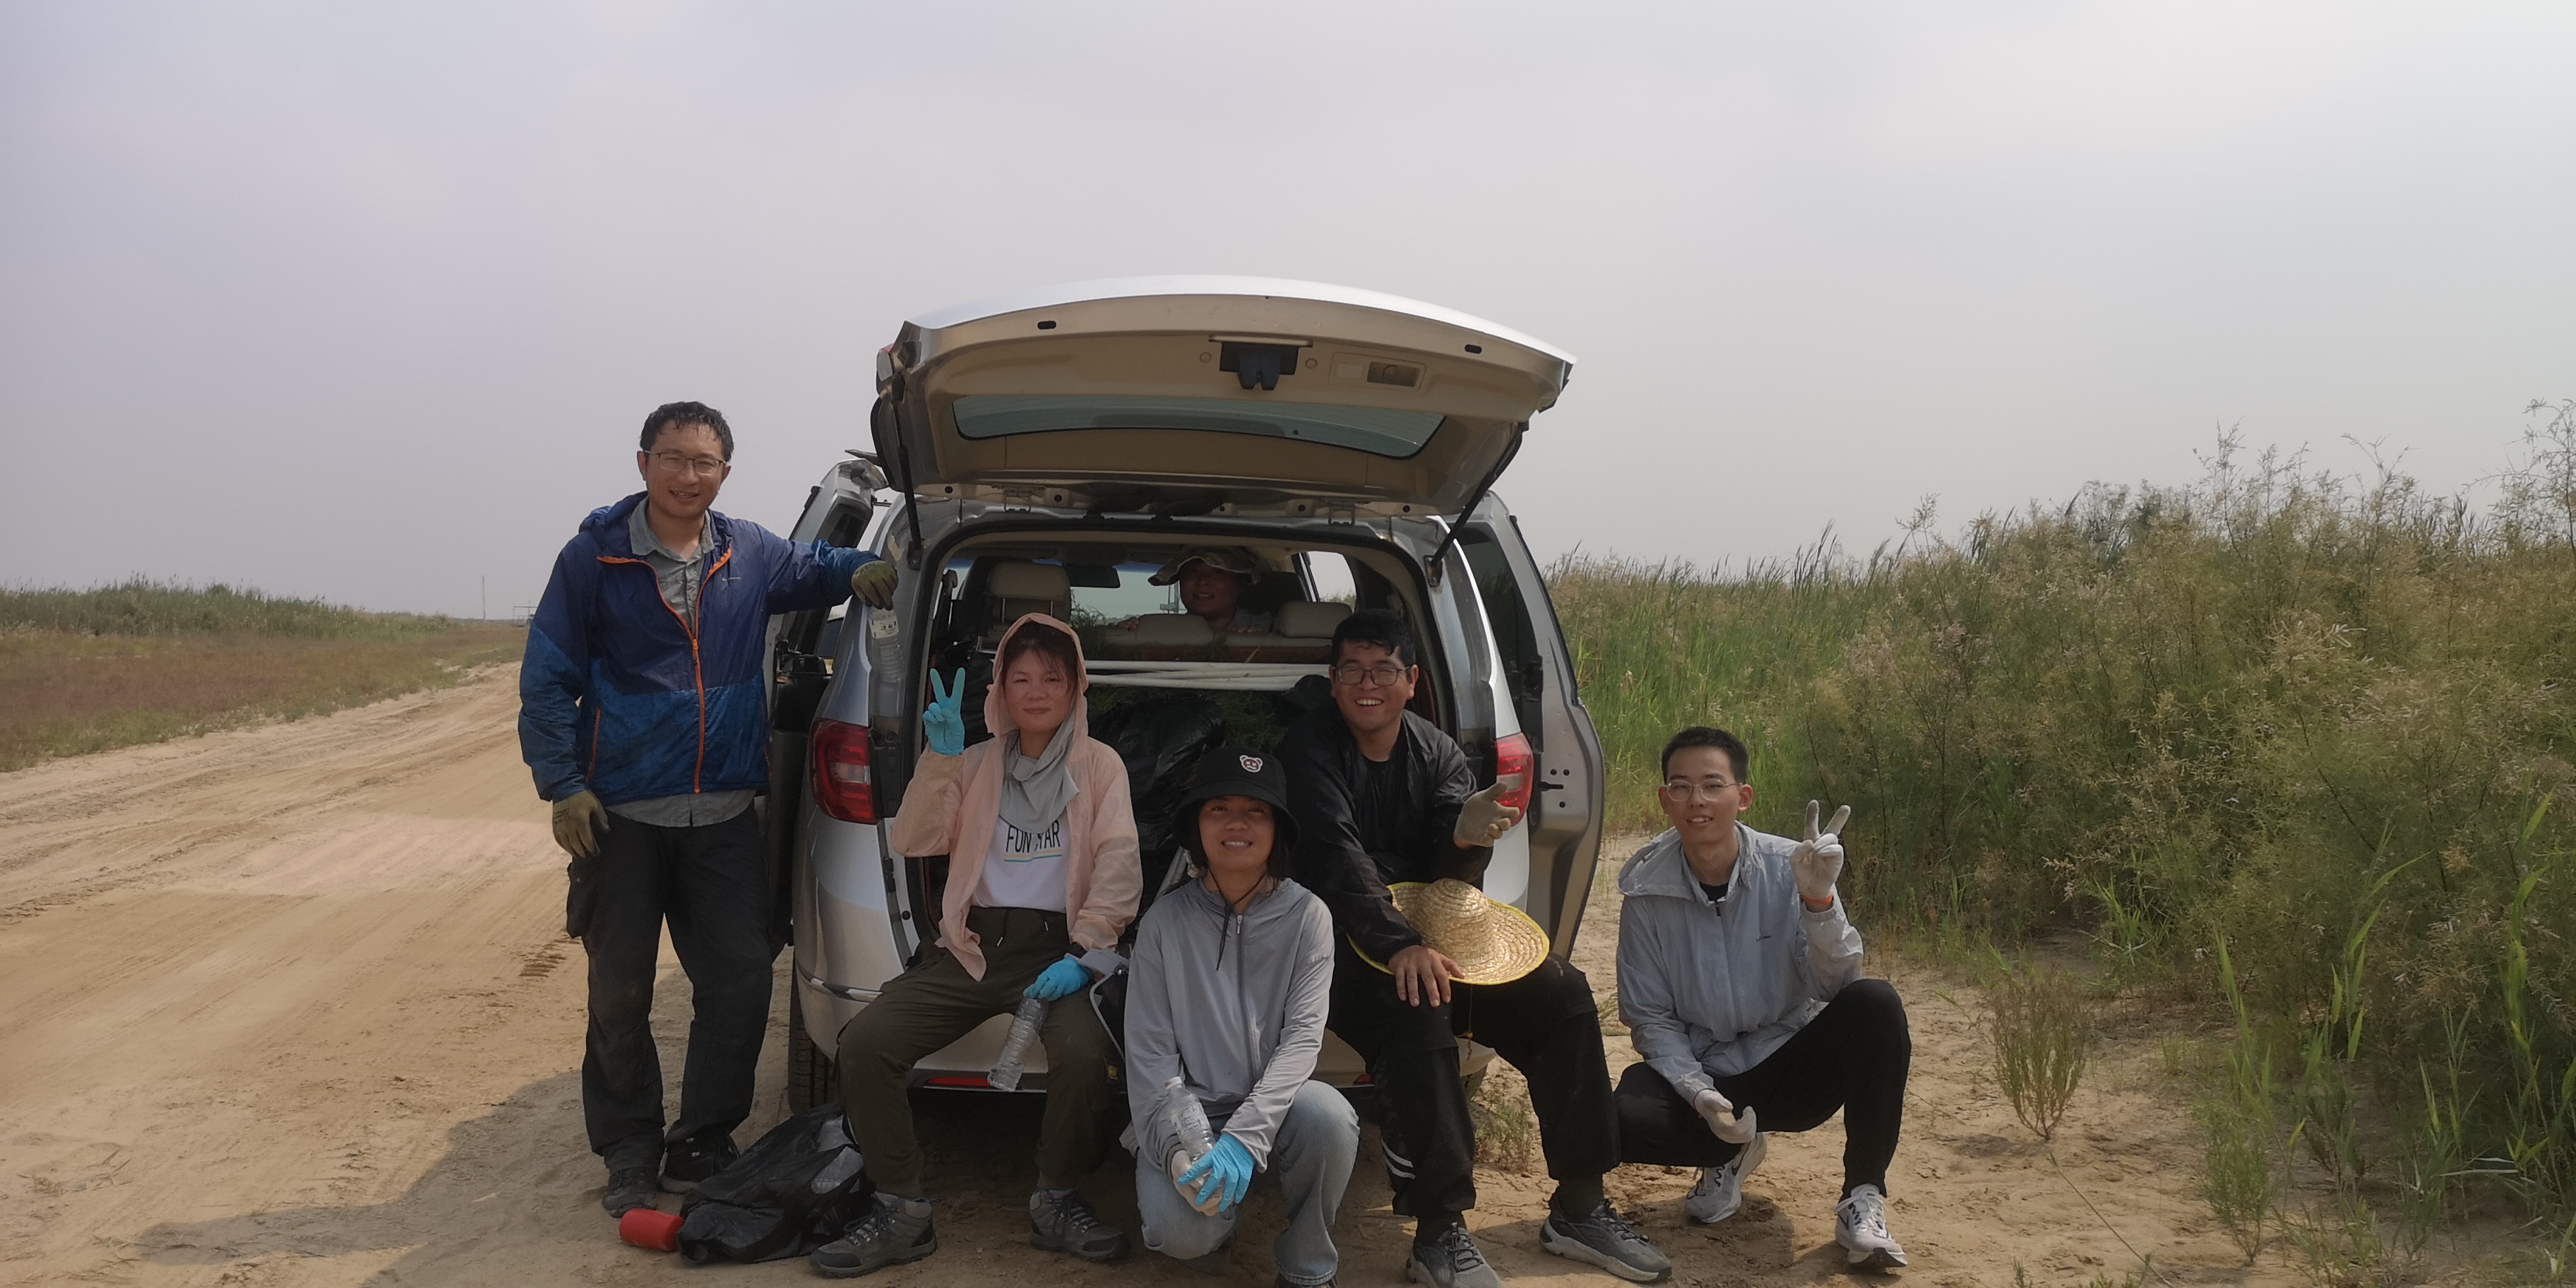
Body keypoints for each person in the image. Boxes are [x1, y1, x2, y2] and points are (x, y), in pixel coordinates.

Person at [520, 400, 898, 1217]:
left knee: (738, 982)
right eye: (673, 458)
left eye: (704, 463)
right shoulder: (594, 559)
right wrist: (562, 784)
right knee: (619, 993)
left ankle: (702, 1137)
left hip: (723, 815)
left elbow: (816, 564)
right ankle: (629, 1149)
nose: (688, 476)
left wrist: (862, 568)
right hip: (619, 816)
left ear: (725, 472)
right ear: (644, 463)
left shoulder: (748, 550)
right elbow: (547, 677)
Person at [1282, 609, 1671, 1287]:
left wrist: (1464, 841)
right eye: (1352, 670)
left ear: (1412, 680)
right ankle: (1439, 1233)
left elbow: (1454, 881)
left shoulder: (1437, 752)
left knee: (1563, 995)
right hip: (1338, 938)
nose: (1367, 684)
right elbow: (1336, 860)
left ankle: (1580, 1205)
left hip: (1431, 934)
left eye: (1383, 670)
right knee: (1419, 1009)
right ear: (1333, 679)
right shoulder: (1308, 750)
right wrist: (1401, 945)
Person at [809, 614, 1142, 1278]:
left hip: (1060, 950)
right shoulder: (978, 761)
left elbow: (1118, 862)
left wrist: (1085, 953)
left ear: (1077, 686)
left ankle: (1057, 1199)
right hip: (975, 946)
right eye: (1021, 679)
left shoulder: (1100, 765)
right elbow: (913, 840)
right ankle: (900, 1208)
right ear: (1000, 690)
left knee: (1084, 1057)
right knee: (865, 1043)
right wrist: (940, 760)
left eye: (1053, 678)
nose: (1037, 692)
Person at [1611, 726, 1912, 1270]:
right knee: (1626, 1118)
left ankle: (1862, 1197)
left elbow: (1837, 984)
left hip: (1788, 1065)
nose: (1697, 801)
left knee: (1876, 1005)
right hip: (1710, 1073)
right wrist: (1699, 1093)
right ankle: (1729, 1152)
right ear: (1664, 799)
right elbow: (1650, 1018)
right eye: (1681, 786)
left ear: (1742, 796)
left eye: (1713, 785)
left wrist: (1819, 902)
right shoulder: (1646, 892)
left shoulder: (1791, 865)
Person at [1126, 746, 1358, 1287]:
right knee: (1179, 1232)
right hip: (1193, 1115)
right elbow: (1150, 1054)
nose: (1237, 824)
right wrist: (1176, 1149)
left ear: (1278, 830)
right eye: (1219, 809)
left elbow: (1302, 1040)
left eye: (1256, 811)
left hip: (1277, 1108)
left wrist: (1245, 1138)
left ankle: (1307, 1266)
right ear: (1197, 826)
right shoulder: (1163, 923)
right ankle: (1216, 1228)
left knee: (1329, 1116)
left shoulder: (1308, 917)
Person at [1138, 547, 1272, 633]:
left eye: (1217, 572)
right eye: (1193, 571)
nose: (1202, 581)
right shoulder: (1159, 631)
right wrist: (1129, 633)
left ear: (1240, 584)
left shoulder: (1271, 630)